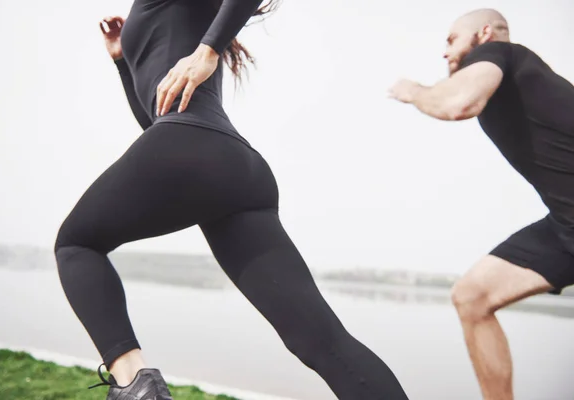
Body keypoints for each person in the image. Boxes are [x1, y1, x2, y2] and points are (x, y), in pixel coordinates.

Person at [54, 1, 410, 399]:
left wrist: (207, 51)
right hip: (238, 169)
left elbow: (168, 123)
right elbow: (156, 115)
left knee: (75, 244)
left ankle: (134, 383)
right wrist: (122, 60)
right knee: (322, 342)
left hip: (192, 143)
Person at [388, 8, 574, 400]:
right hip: (566, 224)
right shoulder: (515, 79)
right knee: (472, 296)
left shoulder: (502, 55)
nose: (445, 52)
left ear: (484, 34)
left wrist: (414, 91)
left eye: (452, 39)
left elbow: (458, 103)